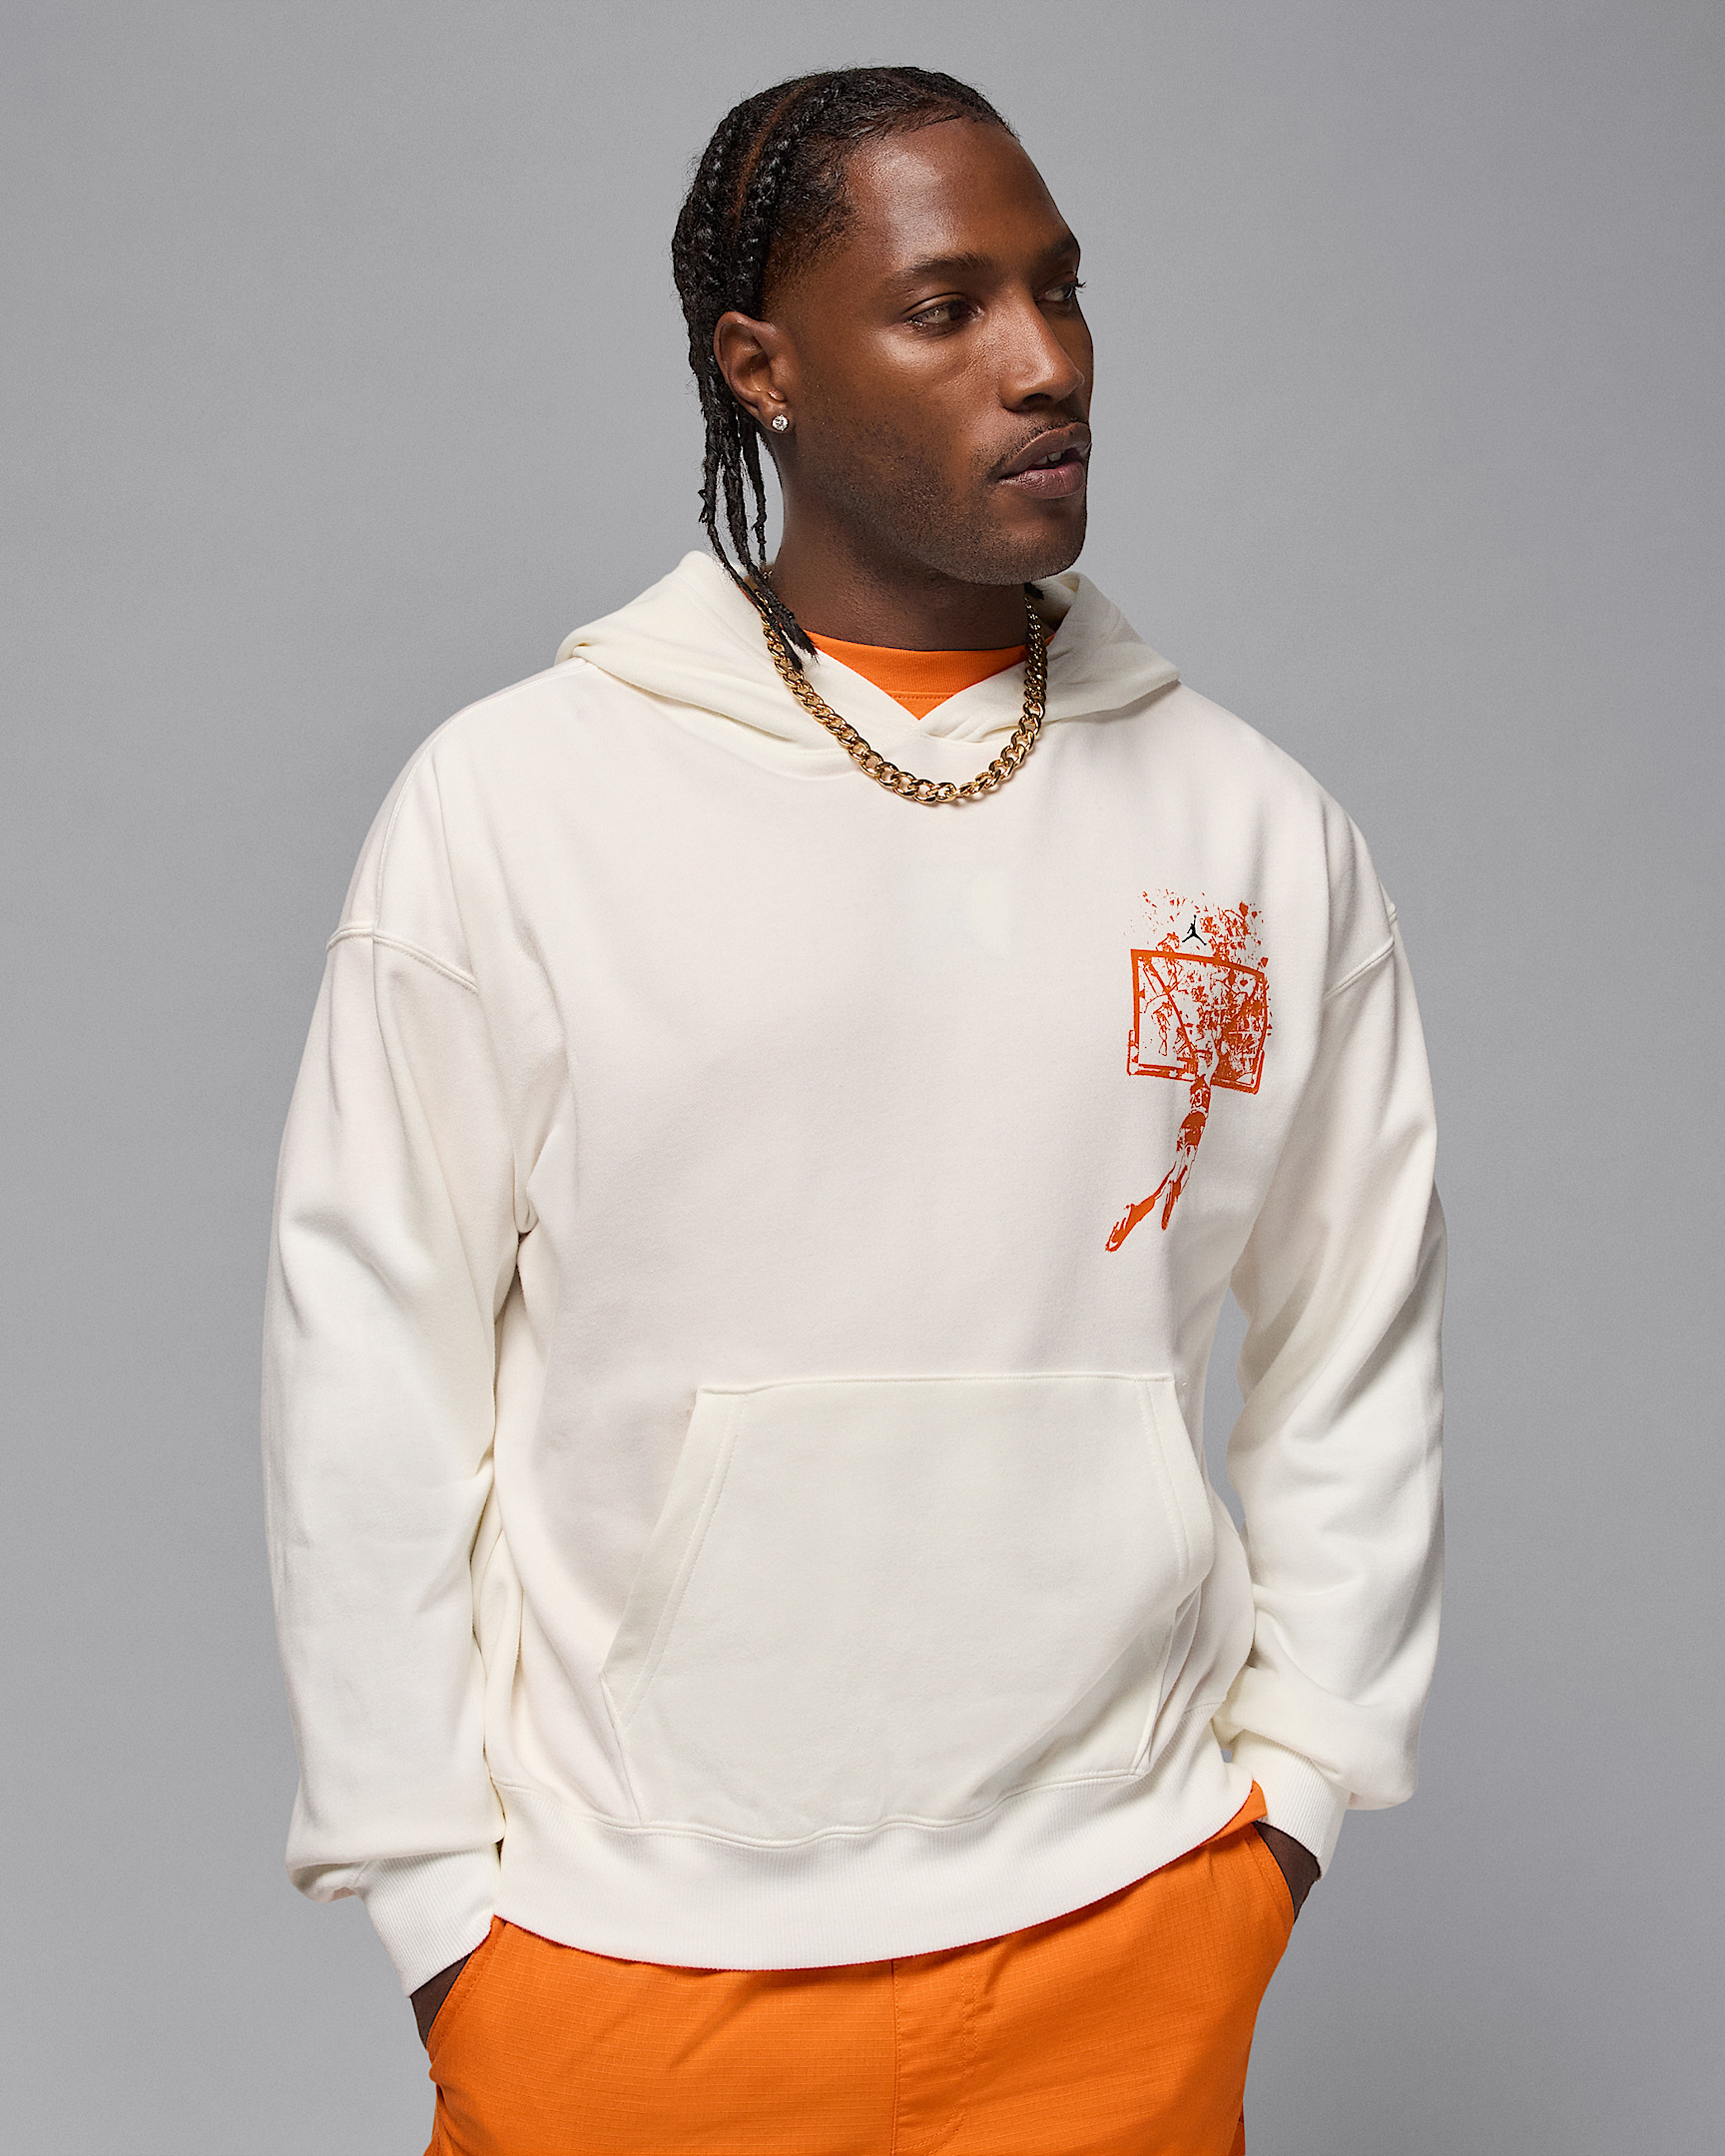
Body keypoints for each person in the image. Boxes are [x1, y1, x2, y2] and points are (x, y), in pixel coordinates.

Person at [264, 66, 1444, 2156]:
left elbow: (1358, 1335)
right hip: (623, 1965)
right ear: (763, 365)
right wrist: (438, 1906)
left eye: (1063, 291)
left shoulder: (1257, 829)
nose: (1046, 362)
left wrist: (1297, 1804)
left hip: (1128, 1931)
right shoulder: (520, 806)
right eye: (947, 306)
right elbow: (368, 1362)